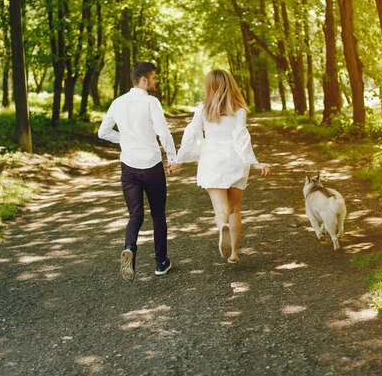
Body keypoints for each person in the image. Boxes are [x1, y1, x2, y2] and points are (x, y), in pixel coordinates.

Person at [168, 69, 270, 264]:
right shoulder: (239, 110)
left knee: (221, 211)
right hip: (235, 161)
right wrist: (255, 163)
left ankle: (221, 225)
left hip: (212, 161)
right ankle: (233, 253)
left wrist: (178, 160)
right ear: (230, 85)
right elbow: (241, 138)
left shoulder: (202, 110)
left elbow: (192, 135)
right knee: (235, 209)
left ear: (209, 86)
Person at [98, 61, 176, 281]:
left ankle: (130, 247)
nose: (156, 80)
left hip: (128, 167)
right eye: (154, 77)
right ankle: (161, 263)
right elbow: (163, 133)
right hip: (151, 166)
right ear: (144, 79)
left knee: (135, 214)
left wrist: (125, 139)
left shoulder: (118, 102)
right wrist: (172, 158)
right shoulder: (151, 102)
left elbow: (103, 132)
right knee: (158, 214)